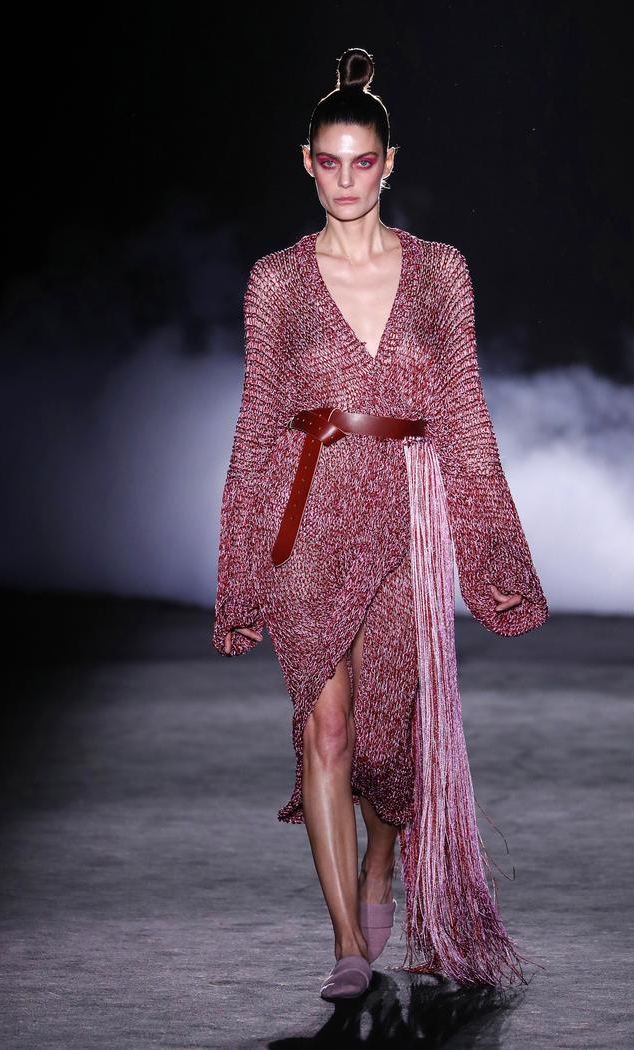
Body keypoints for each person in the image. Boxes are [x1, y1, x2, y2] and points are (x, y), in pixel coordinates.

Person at [212, 47, 549, 1001]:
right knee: (325, 730)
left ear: (389, 163)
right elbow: (257, 421)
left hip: (406, 516)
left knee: (389, 740)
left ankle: (378, 868)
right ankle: (345, 945)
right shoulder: (277, 283)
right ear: (307, 163)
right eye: (330, 163)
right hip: (308, 514)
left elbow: (465, 412)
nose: (347, 180)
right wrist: (241, 568)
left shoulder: (440, 273)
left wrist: (494, 555)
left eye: (364, 162)